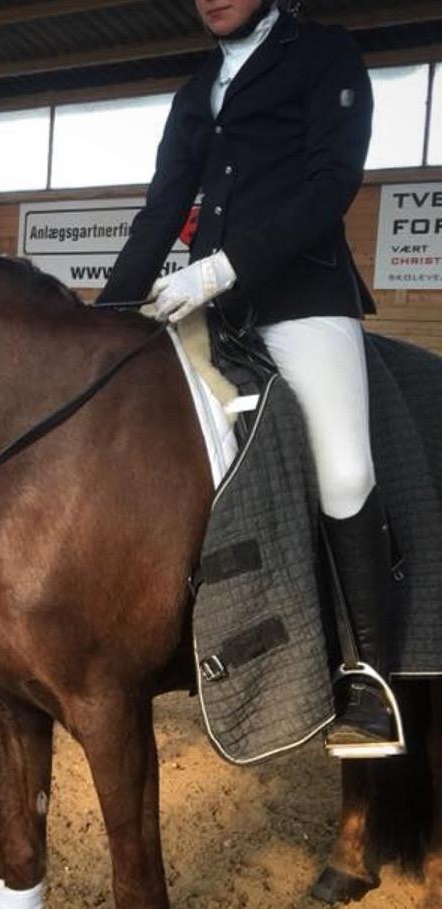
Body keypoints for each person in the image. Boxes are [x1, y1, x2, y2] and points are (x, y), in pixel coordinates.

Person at [98, 1, 397, 756]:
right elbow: (163, 206)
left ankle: (372, 678)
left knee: (343, 467)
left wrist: (220, 268)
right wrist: (103, 320)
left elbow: (331, 184)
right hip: (215, 309)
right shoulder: (197, 86)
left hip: (303, 299)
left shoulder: (325, 53)